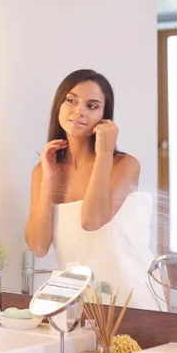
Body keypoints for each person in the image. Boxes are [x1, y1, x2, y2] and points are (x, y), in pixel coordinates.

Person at [24, 69, 156, 309]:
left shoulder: (124, 165)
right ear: (59, 105)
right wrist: (49, 178)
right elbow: (38, 246)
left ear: (105, 118)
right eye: (71, 100)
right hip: (80, 302)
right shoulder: (42, 172)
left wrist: (105, 152)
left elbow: (92, 221)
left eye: (92, 106)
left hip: (133, 301)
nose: (79, 111)